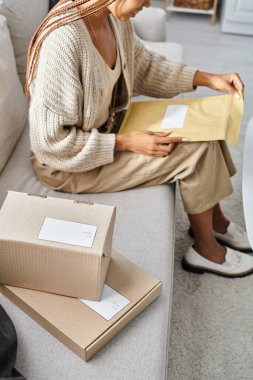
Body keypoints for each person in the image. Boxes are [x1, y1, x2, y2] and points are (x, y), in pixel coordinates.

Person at [26, 0, 252, 277]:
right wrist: (125, 143)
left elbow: (144, 66)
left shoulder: (113, 19)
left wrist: (206, 79)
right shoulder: (63, 41)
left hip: (111, 127)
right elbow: (50, 143)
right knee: (194, 151)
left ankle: (215, 221)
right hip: (69, 163)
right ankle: (206, 251)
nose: (147, 5)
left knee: (203, 127)